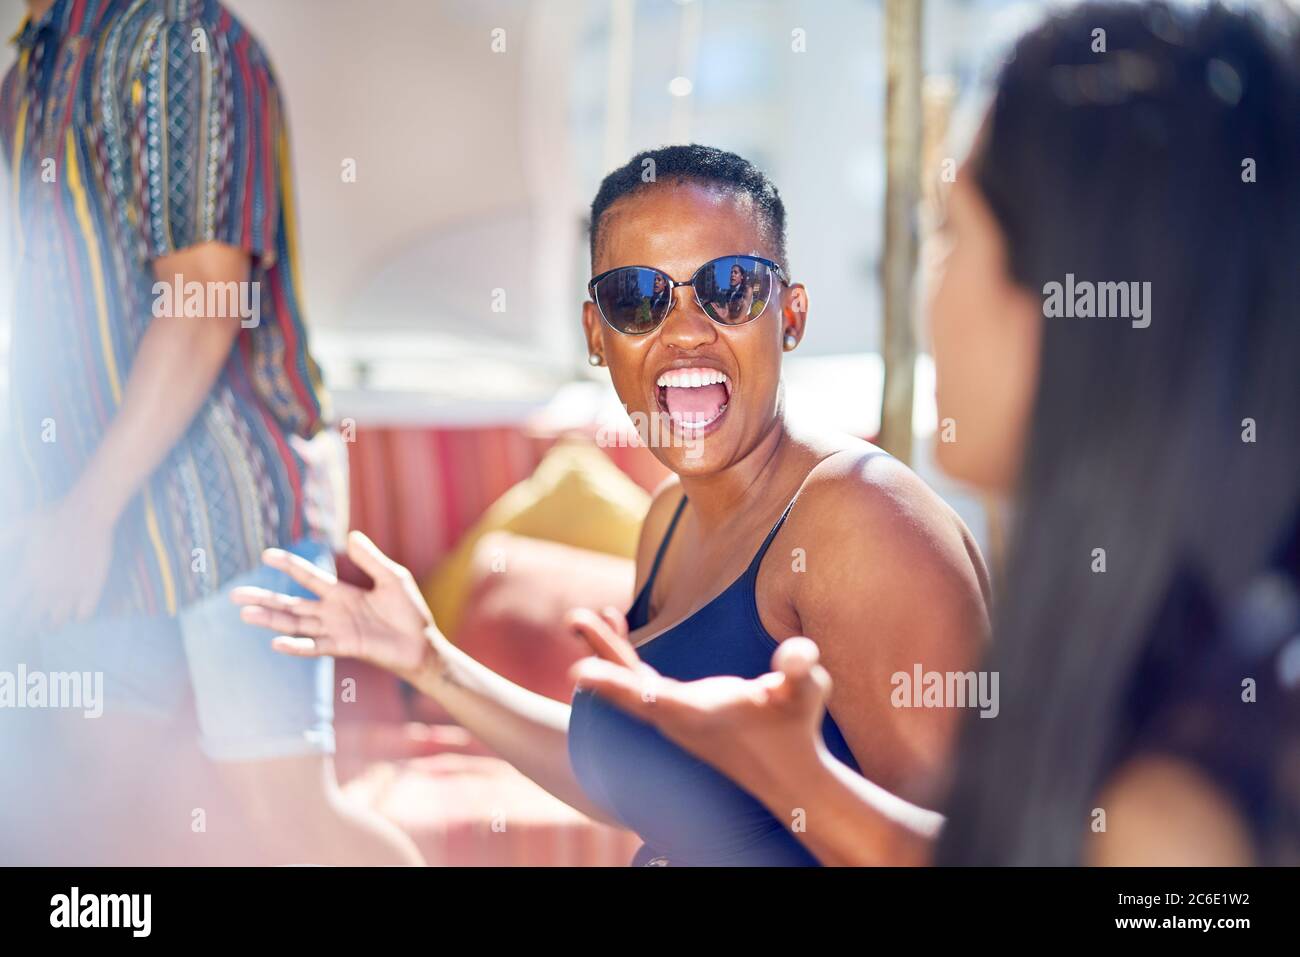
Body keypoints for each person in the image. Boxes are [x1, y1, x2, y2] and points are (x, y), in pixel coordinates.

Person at [569, 1, 1300, 865]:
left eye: (950, 233)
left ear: (1074, 295)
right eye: (637, 298)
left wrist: (797, 784)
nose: (927, 294)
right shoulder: (1133, 645)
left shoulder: (1177, 814)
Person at [233, 145, 992, 865]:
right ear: (598, 335)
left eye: (730, 287)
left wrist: (794, 778)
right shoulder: (666, 521)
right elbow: (637, 784)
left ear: (789, 316)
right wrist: (432, 663)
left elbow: (981, 852)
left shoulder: (862, 518)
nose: (687, 331)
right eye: (638, 298)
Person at [0, 0, 421, 865]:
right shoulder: (29, 71)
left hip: (227, 513)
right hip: (92, 517)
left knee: (291, 821)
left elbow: (202, 305)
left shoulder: (181, 41)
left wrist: (82, 516)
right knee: (76, 805)